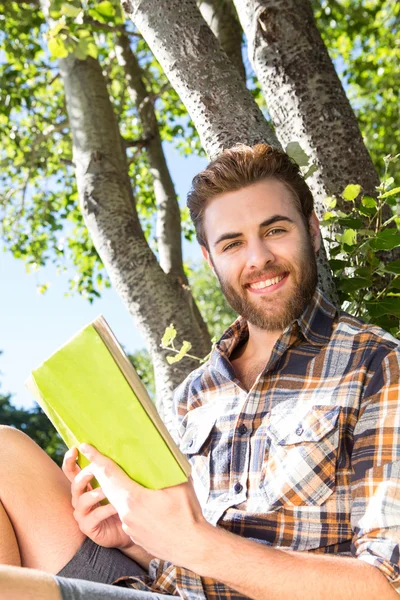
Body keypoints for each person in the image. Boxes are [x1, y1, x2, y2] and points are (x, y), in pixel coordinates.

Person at [1, 144, 399, 600]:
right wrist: (133, 538)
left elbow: (387, 585)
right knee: (4, 453)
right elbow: (183, 546)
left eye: (275, 230)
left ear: (311, 231)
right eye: (233, 243)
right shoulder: (200, 389)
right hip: (157, 586)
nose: (258, 258)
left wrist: (194, 542)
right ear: (211, 260)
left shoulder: (376, 364)